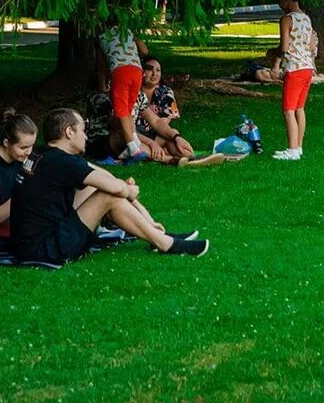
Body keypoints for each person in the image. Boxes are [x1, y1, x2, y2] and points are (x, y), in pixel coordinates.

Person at [12, 108, 207, 262]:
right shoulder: (64, 163)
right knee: (108, 195)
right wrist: (129, 190)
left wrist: (143, 214)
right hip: (45, 249)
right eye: (83, 130)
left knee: (101, 187)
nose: (86, 136)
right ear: (69, 132)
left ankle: (155, 234)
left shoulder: (45, 154)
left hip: (30, 245)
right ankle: (166, 244)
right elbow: (115, 189)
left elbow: (103, 175)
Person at [274, 0, 317, 161]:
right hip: (307, 68)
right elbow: (311, 44)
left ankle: (291, 150)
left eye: (281, 0)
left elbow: (284, 47)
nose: (281, 5)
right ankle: (298, 147)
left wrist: (275, 61)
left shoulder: (286, 19)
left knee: (288, 110)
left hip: (294, 68)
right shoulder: (306, 18)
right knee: (300, 108)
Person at [133, 57, 195, 164]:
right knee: (129, 140)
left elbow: (161, 122)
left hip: (155, 134)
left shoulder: (164, 92)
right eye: (149, 69)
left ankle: (181, 156)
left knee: (183, 149)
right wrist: (151, 142)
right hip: (135, 136)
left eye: (158, 70)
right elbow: (128, 130)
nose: (154, 74)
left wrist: (176, 136)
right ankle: (167, 158)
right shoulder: (133, 93)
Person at [99, 24, 146, 162]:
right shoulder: (129, 29)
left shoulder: (102, 35)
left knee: (121, 112)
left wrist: (103, 85)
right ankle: (135, 142)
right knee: (128, 109)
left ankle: (133, 148)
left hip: (120, 72)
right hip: (137, 71)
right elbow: (144, 50)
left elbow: (101, 66)